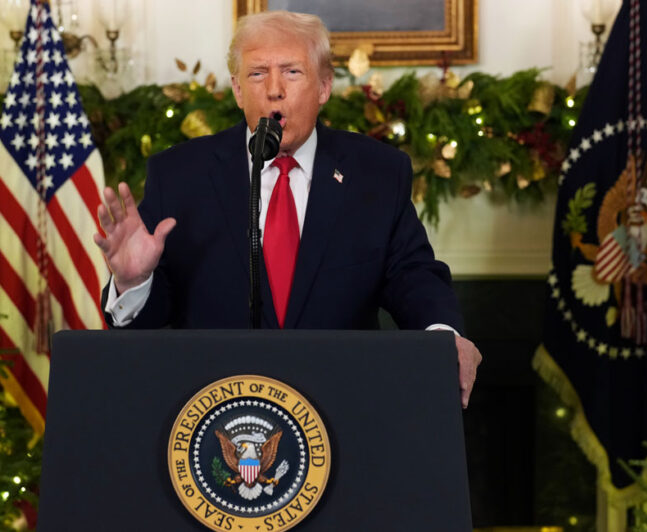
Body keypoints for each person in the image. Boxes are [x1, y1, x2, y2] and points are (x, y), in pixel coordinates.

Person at [93, 11, 481, 407]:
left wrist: (443, 335)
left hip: (341, 409)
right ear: (238, 90)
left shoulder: (376, 172)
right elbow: (152, 321)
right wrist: (134, 282)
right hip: (215, 412)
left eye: (292, 72)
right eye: (258, 74)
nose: (274, 90)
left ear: (324, 87)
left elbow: (413, 275)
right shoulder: (180, 175)